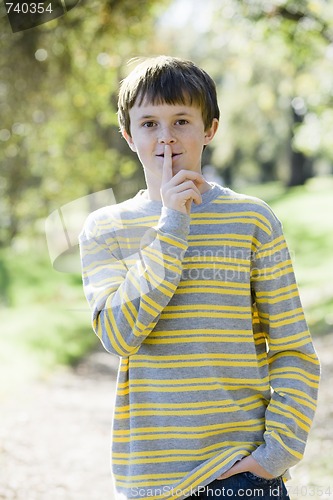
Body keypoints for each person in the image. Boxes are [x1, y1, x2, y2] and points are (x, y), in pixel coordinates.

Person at [79, 56, 320, 500]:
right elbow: (118, 336)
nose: (166, 137)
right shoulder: (105, 228)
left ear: (209, 129)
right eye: (149, 123)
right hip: (152, 477)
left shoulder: (252, 220)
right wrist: (171, 225)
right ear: (129, 135)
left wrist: (276, 454)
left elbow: (292, 348)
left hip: (239, 468)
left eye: (182, 120)